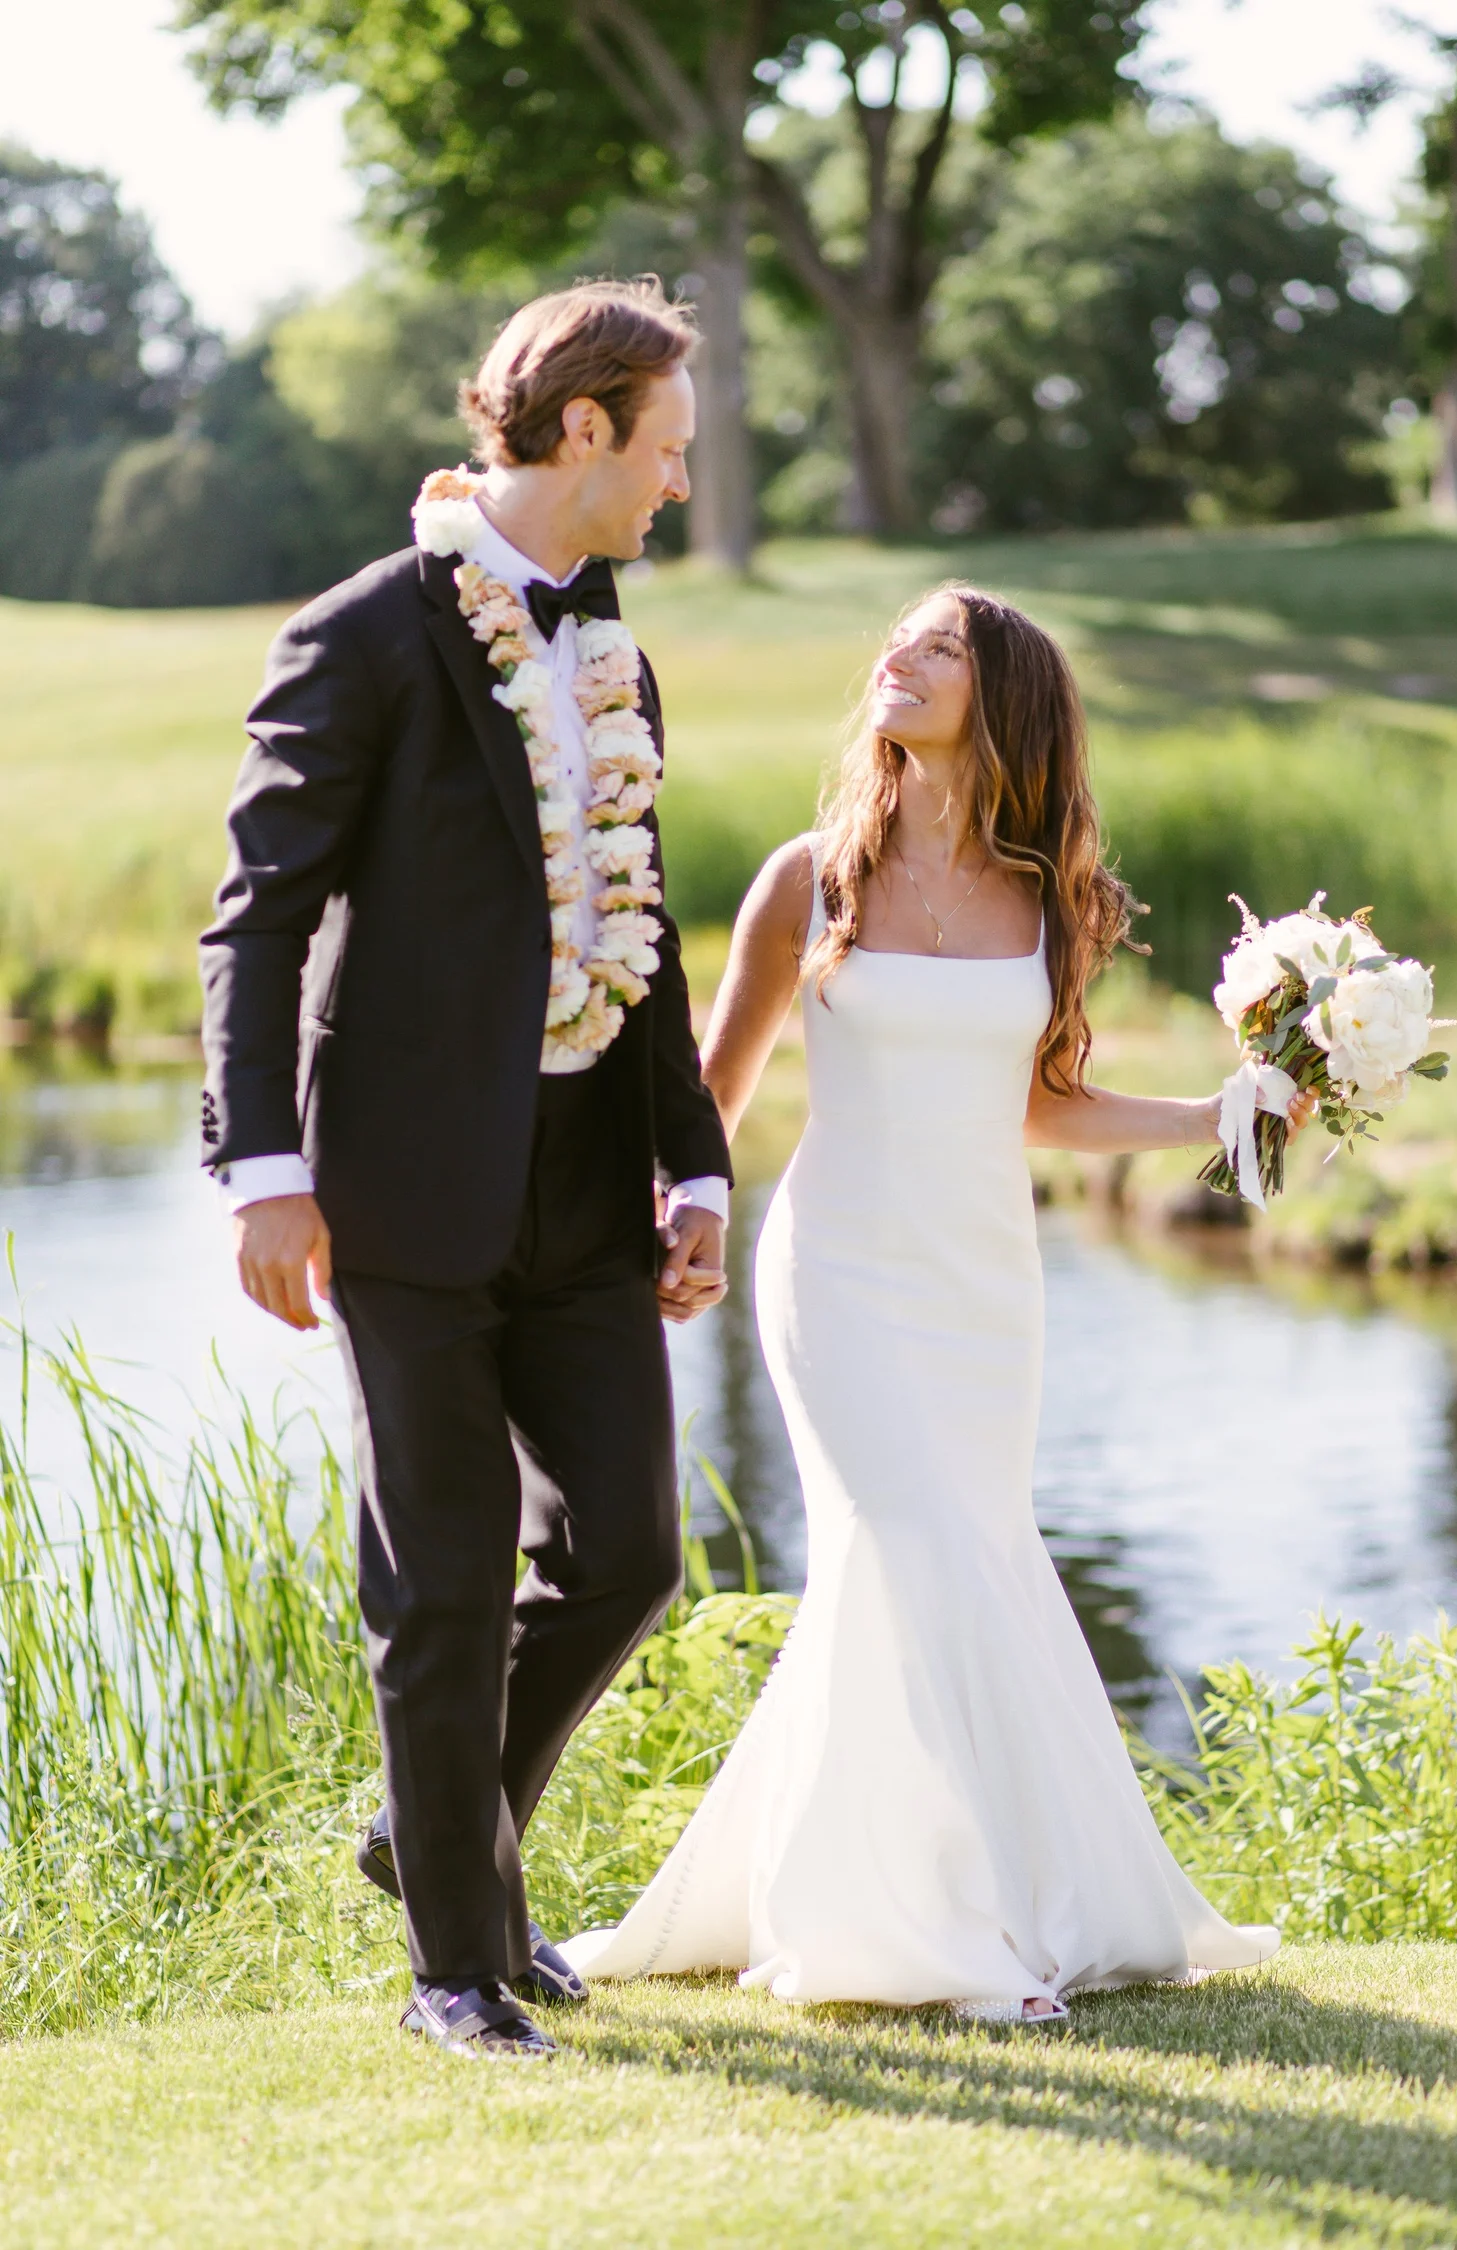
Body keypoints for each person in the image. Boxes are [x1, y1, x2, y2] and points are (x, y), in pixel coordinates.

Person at [562, 584, 1314, 2022]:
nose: (898, 657)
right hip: (837, 1269)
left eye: (940, 645)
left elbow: (1041, 1103)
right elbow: (712, 1092)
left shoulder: (1047, 899)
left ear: (1003, 697)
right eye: (898, 638)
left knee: (964, 1552)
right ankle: (920, 1937)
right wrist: (678, 1218)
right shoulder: (809, 882)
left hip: (984, 1288)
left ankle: (982, 1897)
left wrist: (1218, 1117)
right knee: (898, 1540)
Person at [199, 280, 733, 2061]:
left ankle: (431, 1828)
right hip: (402, 1185)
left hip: (588, 1180)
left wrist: (696, 1170)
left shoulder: (617, 650)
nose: (677, 482)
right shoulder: (360, 635)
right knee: (440, 1578)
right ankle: (458, 1965)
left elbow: (644, 929)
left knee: (630, 1554)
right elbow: (258, 920)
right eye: (666, 448)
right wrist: (263, 1168)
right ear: (583, 428)